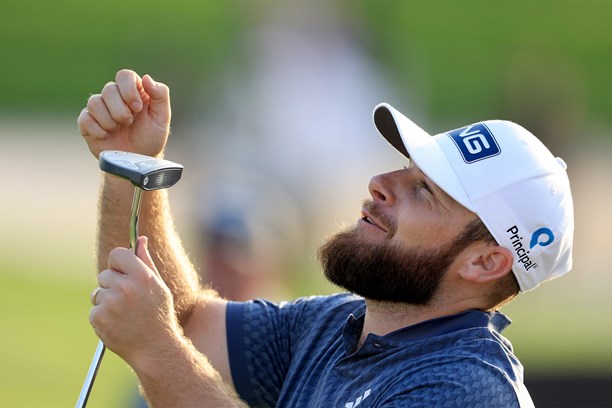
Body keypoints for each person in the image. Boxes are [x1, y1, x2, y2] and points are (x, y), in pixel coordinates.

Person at [78, 69, 574, 407]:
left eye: (425, 191)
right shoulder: (336, 326)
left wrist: (156, 350)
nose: (382, 183)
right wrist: (131, 167)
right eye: (408, 168)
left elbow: (169, 338)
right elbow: (184, 320)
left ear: (486, 262)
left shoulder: (466, 388)